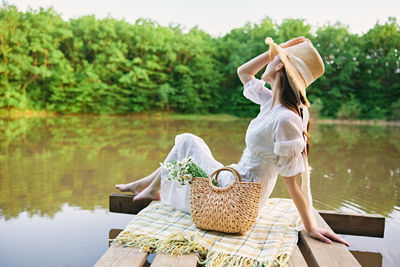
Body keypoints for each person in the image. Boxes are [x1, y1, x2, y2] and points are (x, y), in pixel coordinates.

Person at [116, 36, 350, 247]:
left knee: (188, 142)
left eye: (273, 58)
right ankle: (150, 186)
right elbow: (244, 73)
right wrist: (277, 51)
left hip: (238, 198)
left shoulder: (286, 118)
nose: (268, 61)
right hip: (234, 177)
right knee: (188, 142)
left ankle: (149, 187)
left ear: (279, 67)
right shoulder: (269, 103)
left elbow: (293, 182)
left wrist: (311, 227)